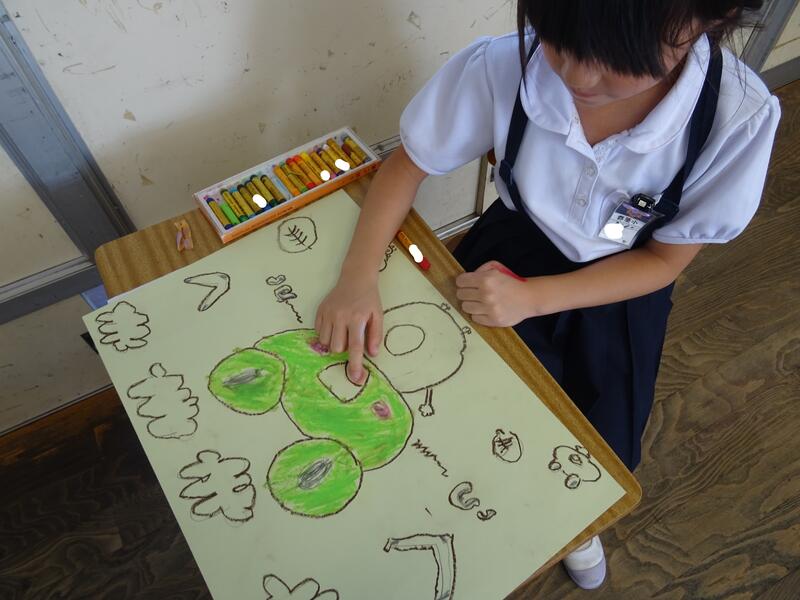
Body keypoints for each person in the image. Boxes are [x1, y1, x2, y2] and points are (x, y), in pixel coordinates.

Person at [315, 0, 780, 589]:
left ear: (706, 19)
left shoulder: (735, 119)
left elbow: (663, 262)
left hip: (619, 293)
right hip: (506, 254)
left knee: (593, 437)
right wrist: (358, 275)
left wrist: (535, 299)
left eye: (615, 59)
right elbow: (408, 165)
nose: (578, 76)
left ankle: (574, 525)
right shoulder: (507, 65)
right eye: (561, 41)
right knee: (456, 402)